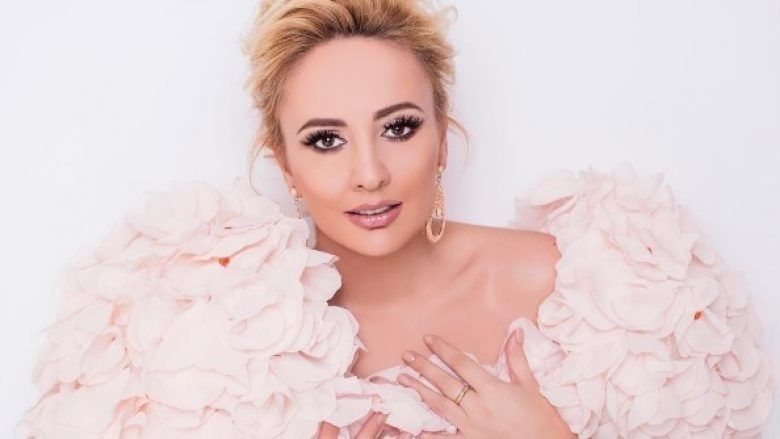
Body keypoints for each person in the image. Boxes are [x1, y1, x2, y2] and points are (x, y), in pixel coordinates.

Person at [16, 0, 773, 437]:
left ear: (443, 137)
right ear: (284, 165)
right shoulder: (202, 335)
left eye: (399, 127)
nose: (370, 172)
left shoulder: (607, 293)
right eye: (325, 140)